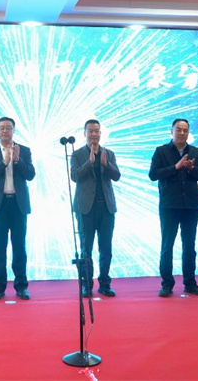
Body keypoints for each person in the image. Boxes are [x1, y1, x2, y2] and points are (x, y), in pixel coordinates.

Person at [148, 119, 198, 297]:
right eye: (178, 130)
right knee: (167, 245)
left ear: (188, 133)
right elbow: (153, 174)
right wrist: (175, 167)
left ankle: (190, 283)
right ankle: (167, 284)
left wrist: (191, 168)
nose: (182, 133)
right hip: (169, 205)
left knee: (189, 245)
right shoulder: (161, 151)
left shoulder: (195, 152)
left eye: (185, 130)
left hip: (191, 205)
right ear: (171, 131)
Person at [0, 117, 36, 301]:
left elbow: (31, 175)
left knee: (19, 246)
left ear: (14, 130)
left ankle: (21, 286)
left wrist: (17, 160)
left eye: (8, 128)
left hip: (18, 204)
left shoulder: (24, 150)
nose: (5, 131)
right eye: (1, 128)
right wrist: (4, 162)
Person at [71, 119, 121, 298]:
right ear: (84, 133)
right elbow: (75, 176)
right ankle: (87, 284)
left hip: (106, 207)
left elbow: (117, 176)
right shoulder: (77, 154)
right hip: (85, 208)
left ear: (100, 133)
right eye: (90, 131)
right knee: (86, 248)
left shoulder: (108, 153)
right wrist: (89, 163)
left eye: (96, 131)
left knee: (106, 247)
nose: (93, 134)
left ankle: (105, 284)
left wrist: (106, 164)